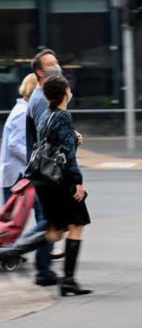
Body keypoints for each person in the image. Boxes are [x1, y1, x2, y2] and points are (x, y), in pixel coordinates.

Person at [0, 75, 92, 297]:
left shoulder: (44, 116)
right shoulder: (63, 116)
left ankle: (10, 253)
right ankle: (68, 281)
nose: (71, 92)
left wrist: (71, 137)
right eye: (68, 89)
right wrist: (78, 182)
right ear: (64, 94)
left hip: (43, 181)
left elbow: (50, 144)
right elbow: (68, 156)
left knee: (55, 231)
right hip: (60, 181)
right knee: (76, 226)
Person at [26, 49, 64, 286]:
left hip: (47, 168)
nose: (56, 66)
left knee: (52, 219)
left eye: (56, 61)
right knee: (51, 220)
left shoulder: (46, 96)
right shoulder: (41, 100)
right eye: (51, 63)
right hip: (47, 169)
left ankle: (43, 270)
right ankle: (10, 248)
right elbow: (45, 136)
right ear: (40, 72)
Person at [1, 74, 37, 204]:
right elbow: (15, 144)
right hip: (18, 175)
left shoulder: (23, 109)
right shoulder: (23, 112)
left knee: (12, 219)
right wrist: (35, 162)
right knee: (43, 215)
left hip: (17, 173)